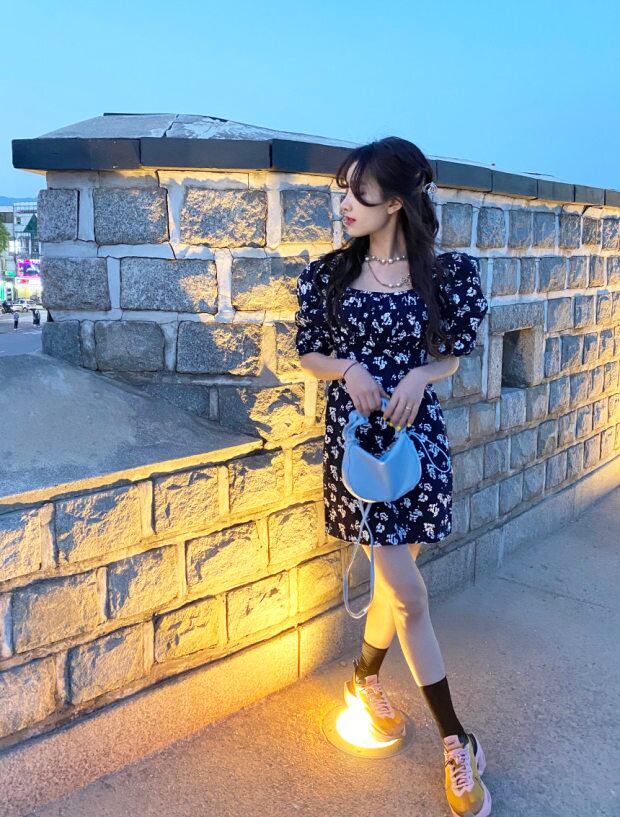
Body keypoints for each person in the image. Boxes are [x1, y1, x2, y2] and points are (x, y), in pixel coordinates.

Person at [294, 137, 490, 817]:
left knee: (393, 579)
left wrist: (417, 375)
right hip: (358, 448)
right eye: (343, 191)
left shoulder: (445, 273)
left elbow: (452, 356)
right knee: (408, 595)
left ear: (397, 201)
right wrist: (348, 368)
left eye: (359, 192)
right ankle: (456, 740)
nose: (345, 204)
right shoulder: (329, 275)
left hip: (417, 441)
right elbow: (309, 353)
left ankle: (362, 679)